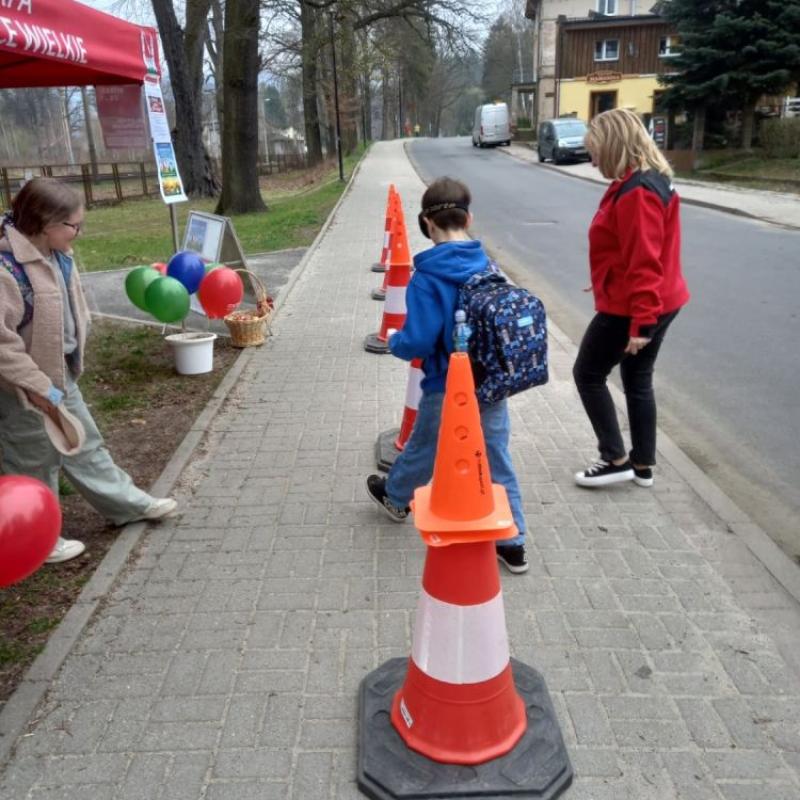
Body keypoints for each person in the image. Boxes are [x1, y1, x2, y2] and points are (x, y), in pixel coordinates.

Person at [0, 177, 178, 565]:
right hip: (21, 387)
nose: (78, 233)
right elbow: (2, 344)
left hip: (58, 375)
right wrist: (35, 386)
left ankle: (127, 506)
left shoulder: (56, 251)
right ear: (44, 222)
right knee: (33, 458)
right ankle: (37, 539)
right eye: (73, 226)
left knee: (84, 442)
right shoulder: (6, 269)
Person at [366, 177, 529, 574]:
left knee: (424, 445)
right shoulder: (488, 264)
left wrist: (397, 343)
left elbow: (419, 339)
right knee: (495, 456)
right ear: (469, 218)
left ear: (426, 223)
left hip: (447, 384)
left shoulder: (428, 275)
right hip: (491, 381)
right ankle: (513, 540)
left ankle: (396, 496)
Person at [573, 108, 690, 488]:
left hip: (635, 307)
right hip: (659, 300)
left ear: (613, 146)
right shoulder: (648, 180)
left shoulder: (637, 193)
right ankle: (642, 466)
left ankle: (615, 459)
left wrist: (641, 324)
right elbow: (633, 251)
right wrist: (605, 277)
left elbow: (644, 263)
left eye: (594, 152)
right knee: (637, 378)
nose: (592, 161)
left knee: (588, 374)